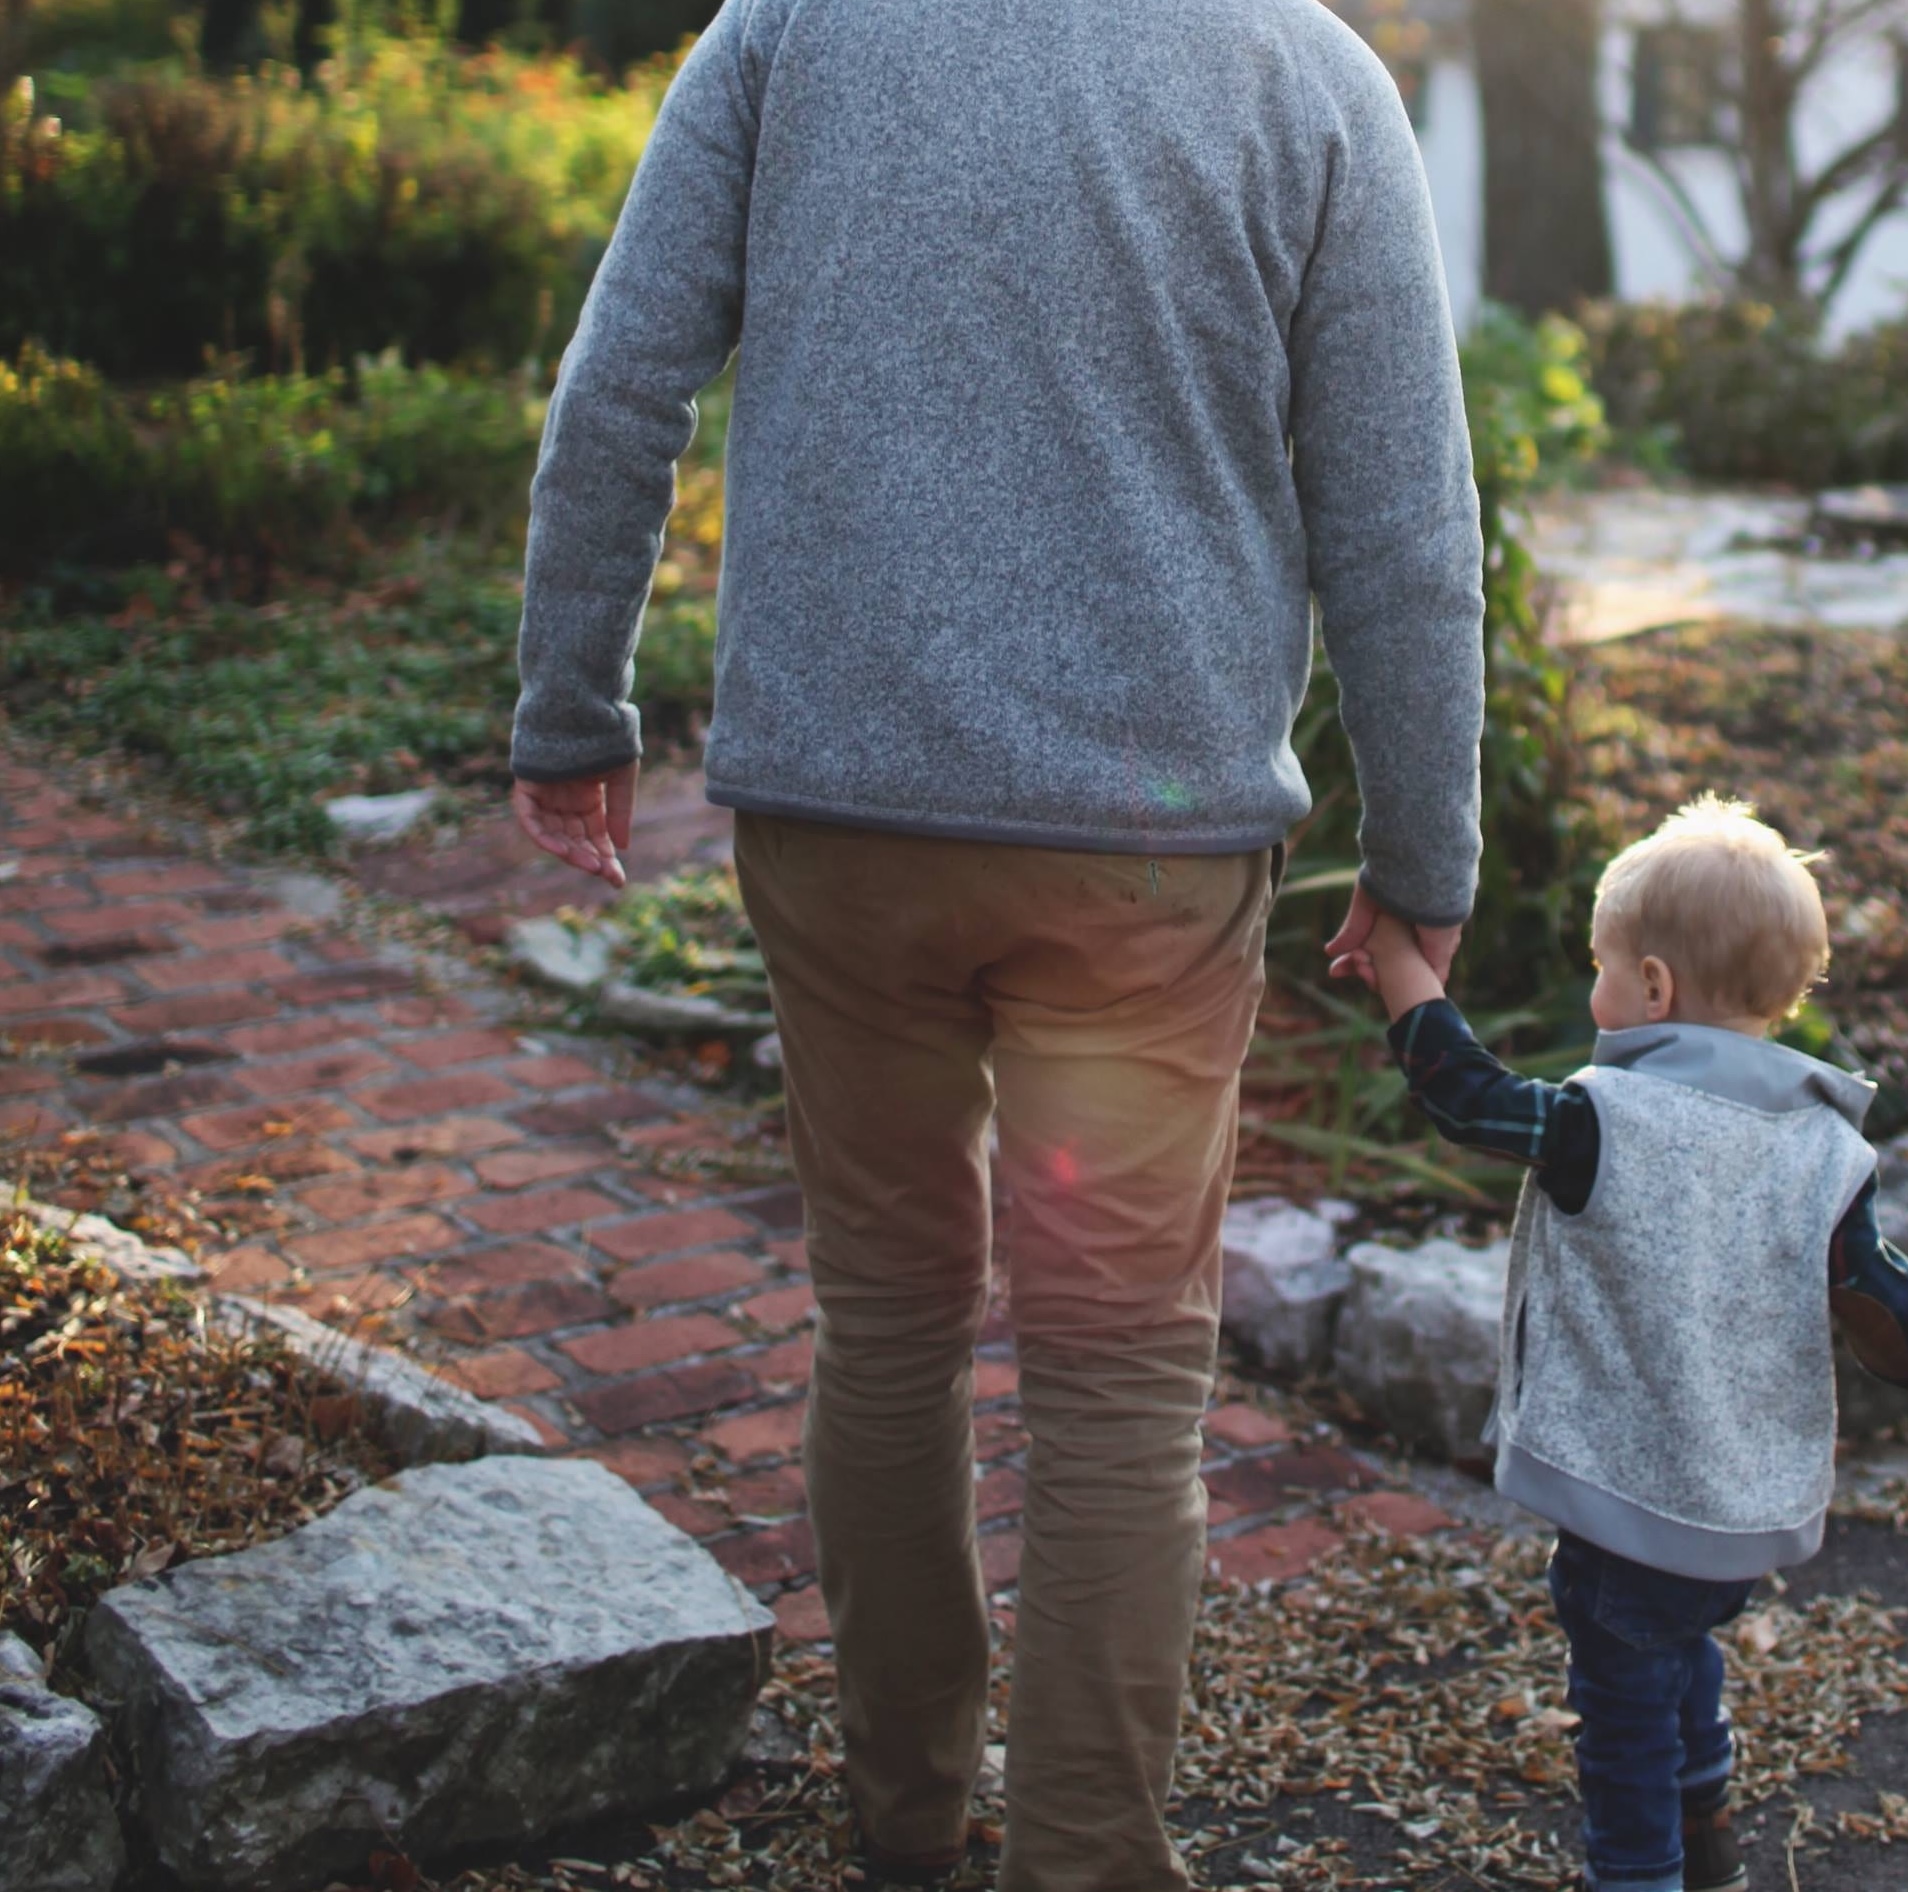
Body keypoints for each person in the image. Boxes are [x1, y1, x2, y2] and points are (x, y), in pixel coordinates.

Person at [504, 1, 1487, 1886]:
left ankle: (905, 1824)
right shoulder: (1308, 72)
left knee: (886, 1327)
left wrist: (572, 710)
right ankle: (1086, 1860)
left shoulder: (793, 26)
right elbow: (1404, 519)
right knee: (1121, 1377)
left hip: (841, 824)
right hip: (1145, 858)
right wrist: (1424, 852)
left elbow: (621, 377)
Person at [1334, 796, 1908, 1892]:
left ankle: (1648, 1872)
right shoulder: (1820, 1150)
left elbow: (1467, 1098)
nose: (1596, 992)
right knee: (1684, 1653)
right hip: (1735, 1515)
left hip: (1625, 1505)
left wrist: (1398, 959)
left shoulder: (1603, 1121)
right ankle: (1709, 1835)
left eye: (1604, 969)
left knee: (1623, 1728)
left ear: (1654, 988)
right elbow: (1892, 1311)